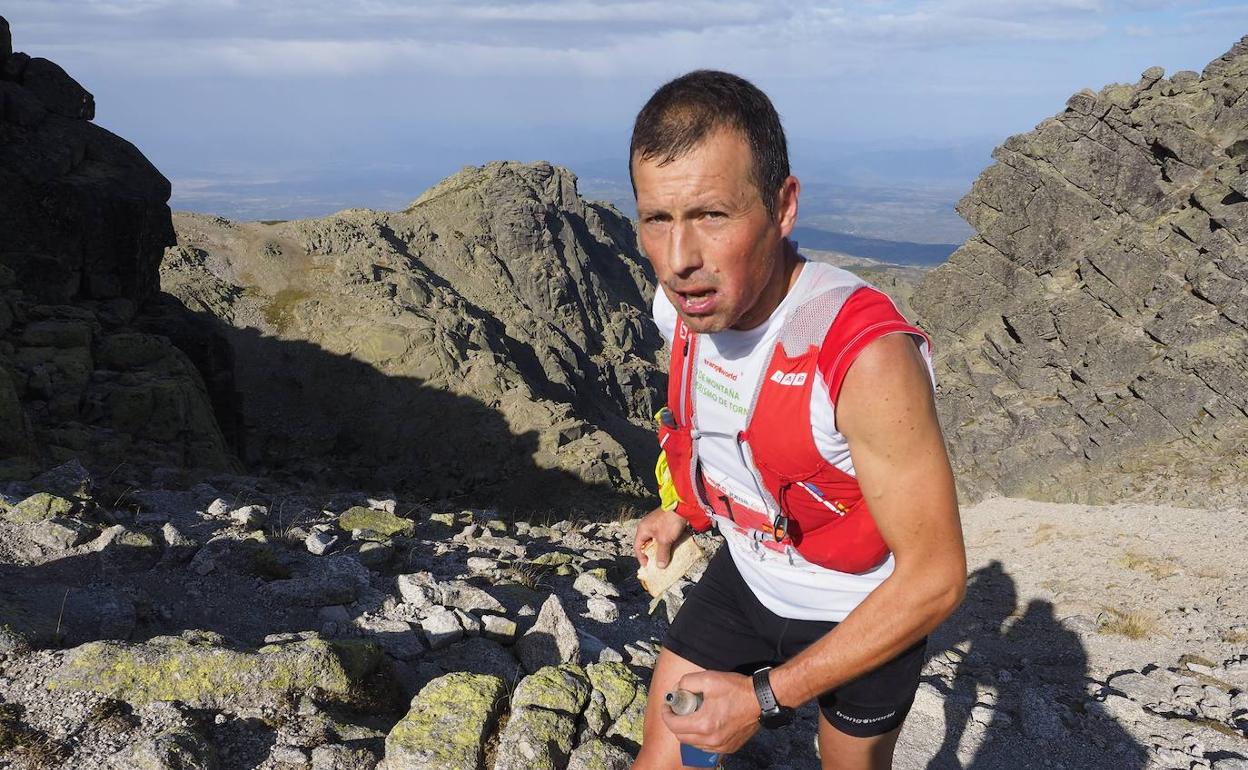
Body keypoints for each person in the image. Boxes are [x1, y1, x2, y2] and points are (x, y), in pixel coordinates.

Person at [628, 70, 967, 770]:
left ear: (783, 207)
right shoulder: (685, 314)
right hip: (747, 583)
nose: (680, 259)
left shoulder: (863, 357)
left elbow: (935, 579)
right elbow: (721, 431)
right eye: (657, 219)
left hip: (860, 611)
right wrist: (685, 511)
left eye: (712, 215)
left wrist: (762, 698)